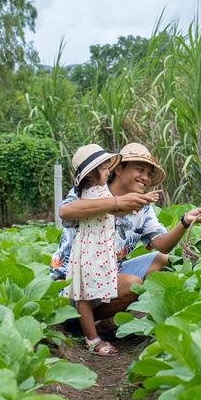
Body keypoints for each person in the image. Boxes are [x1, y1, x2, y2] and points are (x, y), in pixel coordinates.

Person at [51, 142, 201, 330]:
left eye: (149, 173)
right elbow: (65, 211)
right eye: (140, 169)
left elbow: (162, 245)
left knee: (160, 259)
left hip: (107, 270)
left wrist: (185, 221)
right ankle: (77, 322)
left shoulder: (143, 209)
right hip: (71, 281)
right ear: (119, 169)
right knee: (133, 284)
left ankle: (101, 316)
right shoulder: (92, 189)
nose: (145, 178)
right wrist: (116, 203)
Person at [60, 144, 123, 356]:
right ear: (90, 174)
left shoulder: (101, 191)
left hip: (98, 248)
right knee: (84, 294)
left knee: (95, 288)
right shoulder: (91, 194)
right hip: (89, 249)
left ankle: (101, 327)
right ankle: (91, 338)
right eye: (104, 168)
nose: (108, 171)